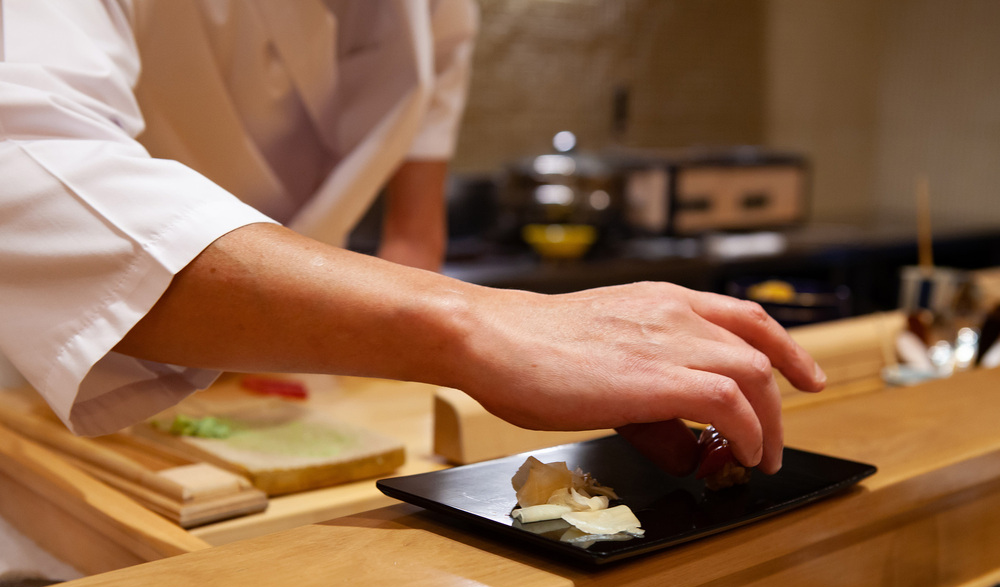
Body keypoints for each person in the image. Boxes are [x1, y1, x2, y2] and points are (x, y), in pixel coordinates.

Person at [0, 0, 826, 479]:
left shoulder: (442, 12)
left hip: (296, 364)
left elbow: (412, 229)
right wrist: (474, 324)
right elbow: (26, 165)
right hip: (59, 380)